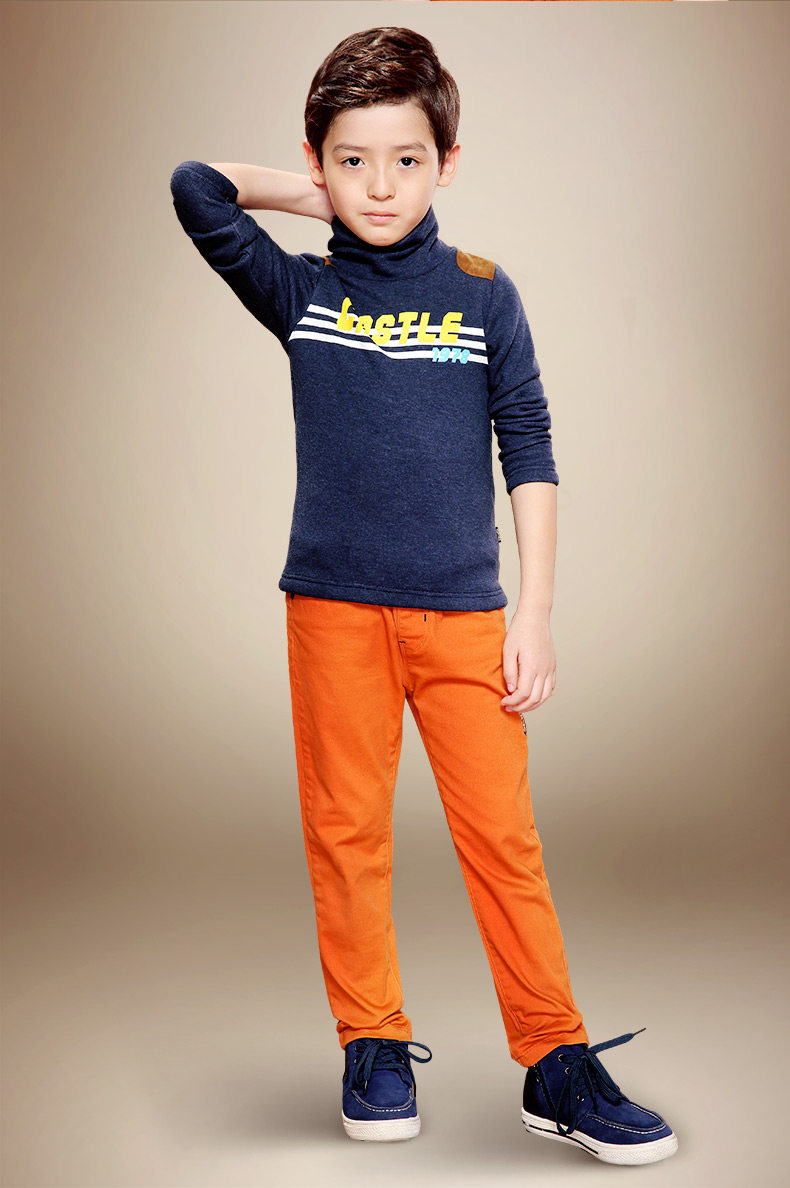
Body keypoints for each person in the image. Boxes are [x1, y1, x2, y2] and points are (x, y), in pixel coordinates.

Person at [169, 24, 678, 1166]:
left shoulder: (483, 295)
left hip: (465, 621)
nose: (380, 185)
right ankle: (373, 1043)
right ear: (320, 162)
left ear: (448, 162)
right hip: (333, 612)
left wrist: (534, 613)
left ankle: (554, 1059)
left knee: (502, 839)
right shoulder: (299, 291)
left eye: (406, 160)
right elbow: (195, 188)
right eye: (353, 162)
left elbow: (528, 446)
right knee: (345, 833)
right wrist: (309, 194)